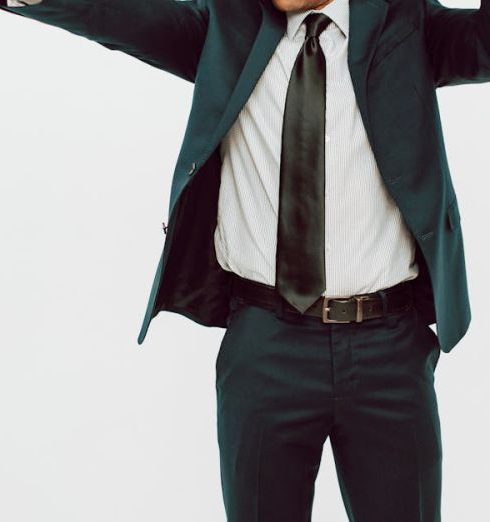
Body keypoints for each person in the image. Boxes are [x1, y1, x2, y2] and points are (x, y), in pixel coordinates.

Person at [1, 0, 487, 520]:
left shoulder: (403, 19)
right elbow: (117, 16)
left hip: (389, 351)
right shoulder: (226, 23)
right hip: (265, 349)